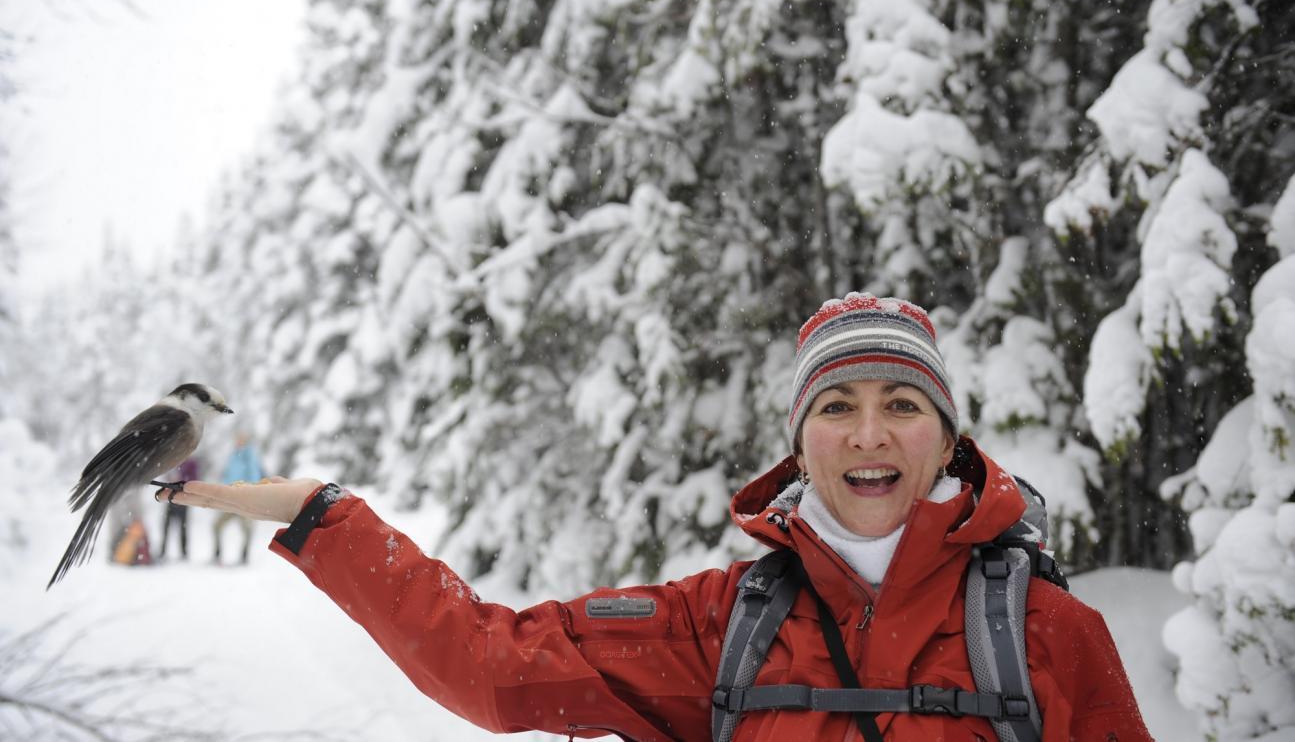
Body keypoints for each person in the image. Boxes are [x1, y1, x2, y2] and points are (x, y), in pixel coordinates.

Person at [164, 293, 1151, 741]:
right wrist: (323, 518)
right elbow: (493, 667)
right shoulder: (719, 625)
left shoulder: (1047, 635)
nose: (868, 437)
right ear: (797, 446)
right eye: (836, 408)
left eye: (901, 406)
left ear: (945, 443)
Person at [212, 432, 262, 566]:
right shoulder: (233, 456)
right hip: (229, 499)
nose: (238, 442)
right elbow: (227, 475)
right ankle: (217, 554)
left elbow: (254, 476)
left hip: (244, 500)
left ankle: (244, 556)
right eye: (237, 439)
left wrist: (249, 493)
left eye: (241, 439)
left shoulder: (249, 456)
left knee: (248, 530)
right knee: (217, 526)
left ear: (245, 441)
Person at [157, 457, 199, 560]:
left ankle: (184, 552)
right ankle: (162, 551)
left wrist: (180, 480)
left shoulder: (191, 463)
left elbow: (194, 479)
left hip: (184, 499)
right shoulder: (174, 461)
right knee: (166, 525)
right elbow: (166, 477)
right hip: (170, 498)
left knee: (183, 527)